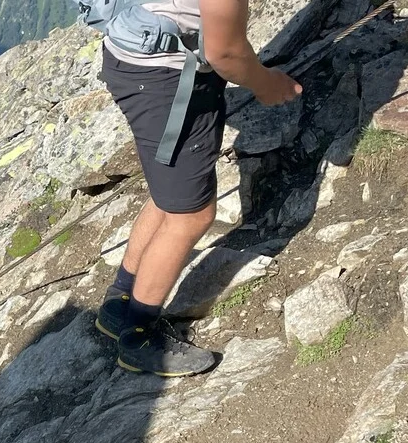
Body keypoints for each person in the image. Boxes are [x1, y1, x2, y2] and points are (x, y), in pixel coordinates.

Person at [93, 0, 302, 376]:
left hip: (139, 57)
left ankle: (120, 302)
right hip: (168, 79)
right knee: (190, 215)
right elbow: (225, 51)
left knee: (170, 197)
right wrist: (266, 83)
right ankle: (139, 336)